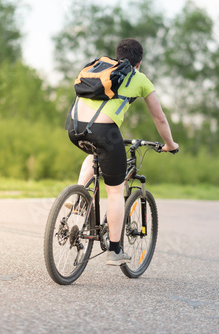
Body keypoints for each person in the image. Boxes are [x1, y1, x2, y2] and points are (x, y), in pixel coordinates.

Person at [67, 38, 179, 266]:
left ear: (118, 55)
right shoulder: (139, 78)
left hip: (74, 127)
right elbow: (159, 117)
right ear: (139, 62)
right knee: (115, 192)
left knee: (93, 154)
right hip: (105, 132)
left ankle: (79, 197)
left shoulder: (101, 68)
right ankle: (115, 250)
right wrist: (170, 144)